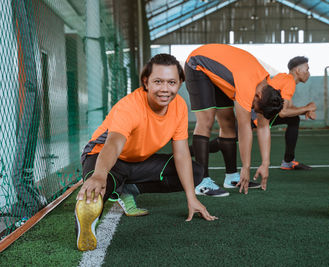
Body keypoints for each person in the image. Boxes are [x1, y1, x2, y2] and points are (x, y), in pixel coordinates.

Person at [75, 54, 216, 252]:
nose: (165, 89)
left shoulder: (179, 107)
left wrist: (191, 198)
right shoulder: (130, 106)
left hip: (138, 163)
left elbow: (182, 154)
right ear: (146, 82)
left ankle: (128, 189)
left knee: (195, 172)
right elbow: (114, 143)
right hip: (103, 157)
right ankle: (88, 215)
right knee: (94, 195)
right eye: (158, 81)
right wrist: (99, 174)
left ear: (180, 83)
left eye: (172, 82)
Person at [185, 44, 283, 197]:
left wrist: (265, 163)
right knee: (207, 120)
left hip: (224, 74)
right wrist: (246, 167)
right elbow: (244, 129)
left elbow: (263, 127)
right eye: (253, 107)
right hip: (197, 64)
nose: (251, 110)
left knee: (228, 122)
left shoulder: (266, 88)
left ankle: (231, 177)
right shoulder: (248, 86)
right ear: (257, 95)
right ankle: (201, 181)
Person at [198, 56, 315, 171]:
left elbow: (288, 108)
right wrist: (307, 108)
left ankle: (288, 161)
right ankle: (190, 151)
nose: (308, 73)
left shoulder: (283, 78)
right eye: (307, 69)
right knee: (224, 142)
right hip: (256, 113)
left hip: (259, 113)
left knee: (293, 119)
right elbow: (283, 112)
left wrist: (304, 110)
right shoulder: (289, 82)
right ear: (298, 71)